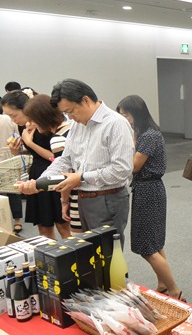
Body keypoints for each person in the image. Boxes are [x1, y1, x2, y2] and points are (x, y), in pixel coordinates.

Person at [17, 79, 134, 246]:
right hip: (83, 198)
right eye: (66, 113)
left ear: (86, 100)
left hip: (107, 199)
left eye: (71, 111)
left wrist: (81, 178)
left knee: (108, 257)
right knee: (88, 255)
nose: (70, 117)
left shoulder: (115, 123)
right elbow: (65, 159)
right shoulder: (78, 125)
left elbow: (121, 171)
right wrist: (39, 182)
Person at [116, 95, 183, 300]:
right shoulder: (143, 133)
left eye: (125, 114)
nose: (123, 119)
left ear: (136, 114)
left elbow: (134, 166)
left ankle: (175, 291)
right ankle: (163, 284)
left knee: (147, 247)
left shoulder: (149, 136)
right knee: (155, 243)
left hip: (148, 191)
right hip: (148, 189)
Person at [2, 91, 71, 239]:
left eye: (14, 115)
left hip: (55, 175)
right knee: (43, 227)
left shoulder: (46, 125)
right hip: (37, 173)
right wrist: (17, 150)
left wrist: (30, 143)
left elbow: (58, 158)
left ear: (25, 110)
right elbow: (30, 156)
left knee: (63, 225)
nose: (13, 121)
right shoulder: (24, 128)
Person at [23, 94, 82, 233]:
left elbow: (65, 174)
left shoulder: (57, 138)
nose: (30, 124)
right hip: (88, 192)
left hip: (77, 195)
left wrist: (64, 201)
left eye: (33, 120)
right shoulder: (70, 128)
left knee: (78, 242)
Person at [0, 101, 23, 233]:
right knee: (14, 190)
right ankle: (18, 222)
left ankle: (3, 224)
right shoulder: (10, 119)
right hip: (10, 157)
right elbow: (17, 136)